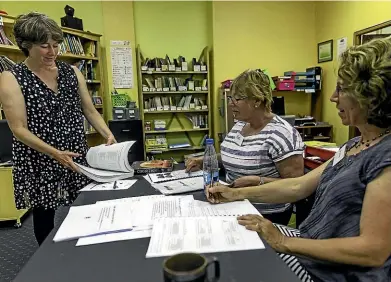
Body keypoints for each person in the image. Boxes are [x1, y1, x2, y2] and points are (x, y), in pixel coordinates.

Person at [206, 37, 391, 282]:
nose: (333, 97)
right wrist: (235, 194)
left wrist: (283, 241)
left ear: (371, 96)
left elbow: (373, 251)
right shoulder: (354, 146)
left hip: (332, 273)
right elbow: (298, 186)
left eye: (342, 89)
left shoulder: (385, 156)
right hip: (310, 251)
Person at [0, 12, 116, 246]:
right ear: (26, 45)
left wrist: (107, 134)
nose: (53, 52)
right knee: (45, 214)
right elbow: (19, 129)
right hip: (39, 156)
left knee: (85, 204)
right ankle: (47, 259)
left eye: (56, 45)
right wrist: (54, 153)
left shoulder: (72, 72)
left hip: (74, 151)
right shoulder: (11, 78)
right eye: (45, 46)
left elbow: (90, 111)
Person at [186, 69, 304, 225]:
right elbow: (238, 156)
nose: (230, 104)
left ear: (257, 100)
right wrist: (203, 160)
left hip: (264, 214)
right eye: (230, 98)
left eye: (237, 99)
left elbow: (294, 186)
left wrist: (259, 180)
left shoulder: (282, 134)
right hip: (232, 202)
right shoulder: (240, 125)